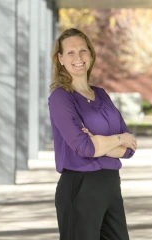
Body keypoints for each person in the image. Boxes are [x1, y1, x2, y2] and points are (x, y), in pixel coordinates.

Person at [48, 28, 137, 240]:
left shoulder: (102, 95)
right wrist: (117, 139)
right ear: (60, 59)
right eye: (70, 53)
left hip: (111, 186)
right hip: (80, 187)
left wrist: (100, 141)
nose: (78, 57)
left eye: (83, 50)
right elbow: (85, 147)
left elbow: (129, 149)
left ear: (90, 55)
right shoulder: (61, 98)